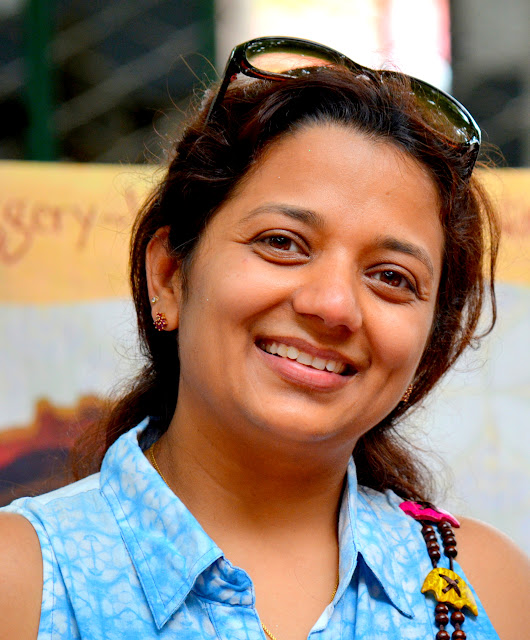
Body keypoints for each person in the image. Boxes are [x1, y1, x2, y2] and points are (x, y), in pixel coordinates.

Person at [0, 36, 528, 640]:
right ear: (169, 276)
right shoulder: (24, 582)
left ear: (429, 346)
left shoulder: (483, 589)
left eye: (391, 277)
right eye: (282, 243)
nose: (333, 306)